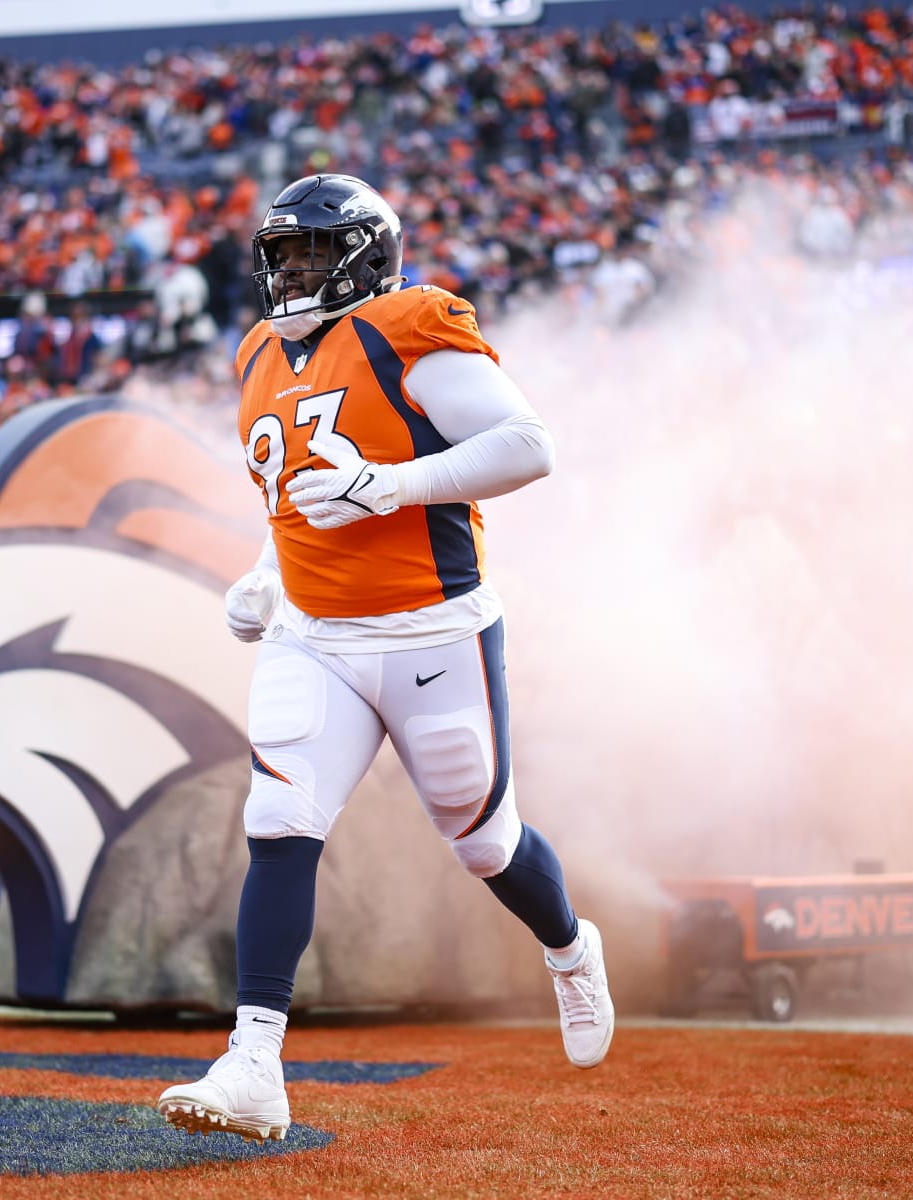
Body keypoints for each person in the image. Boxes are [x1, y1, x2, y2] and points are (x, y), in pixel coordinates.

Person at [156, 175, 613, 1142]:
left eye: (313, 254)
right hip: (314, 635)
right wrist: (264, 573)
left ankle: (571, 950)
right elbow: (298, 496)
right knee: (280, 820)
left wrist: (396, 486)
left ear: (365, 255)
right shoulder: (258, 354)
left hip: (431, 630)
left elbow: (528, 446)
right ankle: (254, 1061)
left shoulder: (407, 324)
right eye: (281, 255)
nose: (293, 273)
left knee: (482, 840)